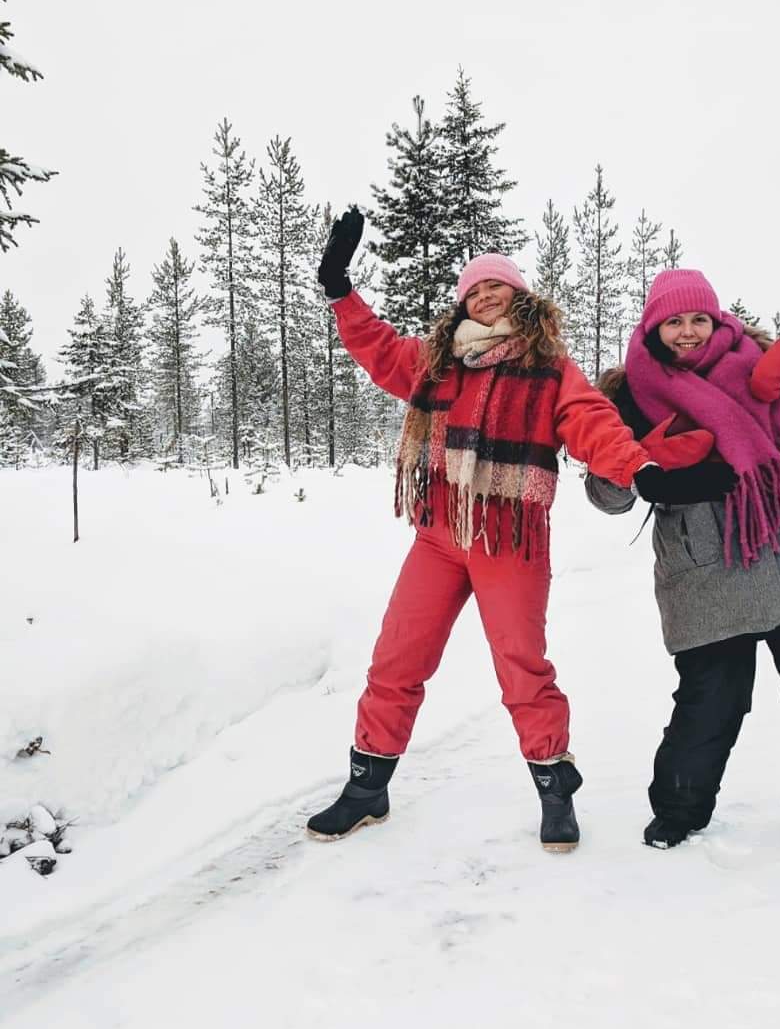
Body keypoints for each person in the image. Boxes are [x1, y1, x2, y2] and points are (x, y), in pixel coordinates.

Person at [306, 211, 731, 852]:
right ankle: (367, 786)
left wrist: (639, 468)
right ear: (463, 305)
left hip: (510, 539)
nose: (485, 294)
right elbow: (378, 347)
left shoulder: (550, 368)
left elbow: (593, 423)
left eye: (496, 286)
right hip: (439, 535)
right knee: (396, 659)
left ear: (519, 296)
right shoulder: (436, 362)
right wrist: (341, 288)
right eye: (474, 289)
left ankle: (554, 787)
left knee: (522, 669)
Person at [585, 268, 780, 857]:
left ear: (718, 319)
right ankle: (678, 812)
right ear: (654, 326)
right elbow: (605, 496)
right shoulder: (628, 396)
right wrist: (645, 473)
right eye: (675, 322)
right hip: (705, 568)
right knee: (711, 702)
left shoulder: (754, 364)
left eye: (699, 319)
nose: (689, 332)